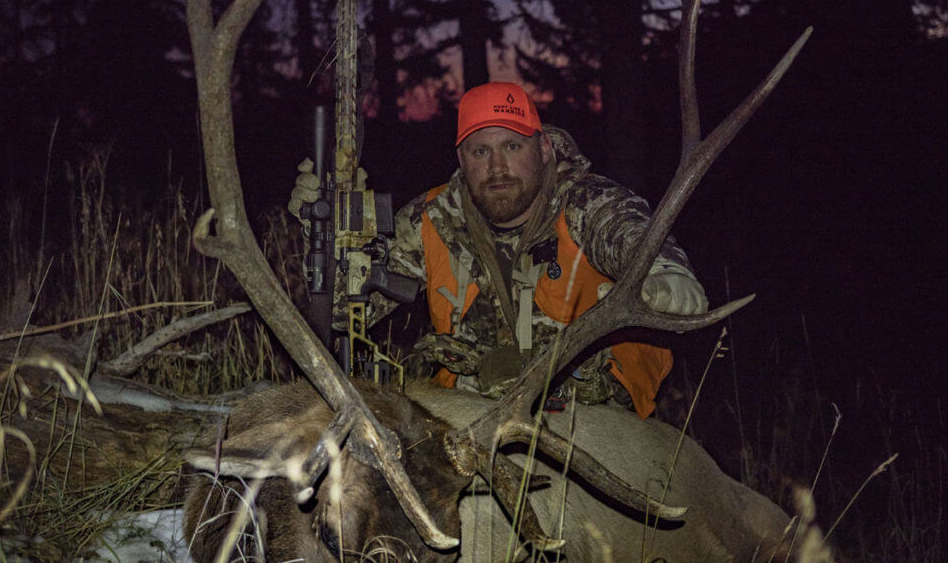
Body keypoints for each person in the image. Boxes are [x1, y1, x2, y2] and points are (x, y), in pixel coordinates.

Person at [289, 82, 707, 418]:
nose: (497, 168)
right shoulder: (432, 219)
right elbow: (346, 313)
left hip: (590, 412)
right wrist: (323, 237)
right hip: (471, 413)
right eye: (481, 151)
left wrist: (665, 279)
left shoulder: (587, 204)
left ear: (543, 149)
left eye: (512, 146)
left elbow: (634, 239)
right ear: (462, 159)